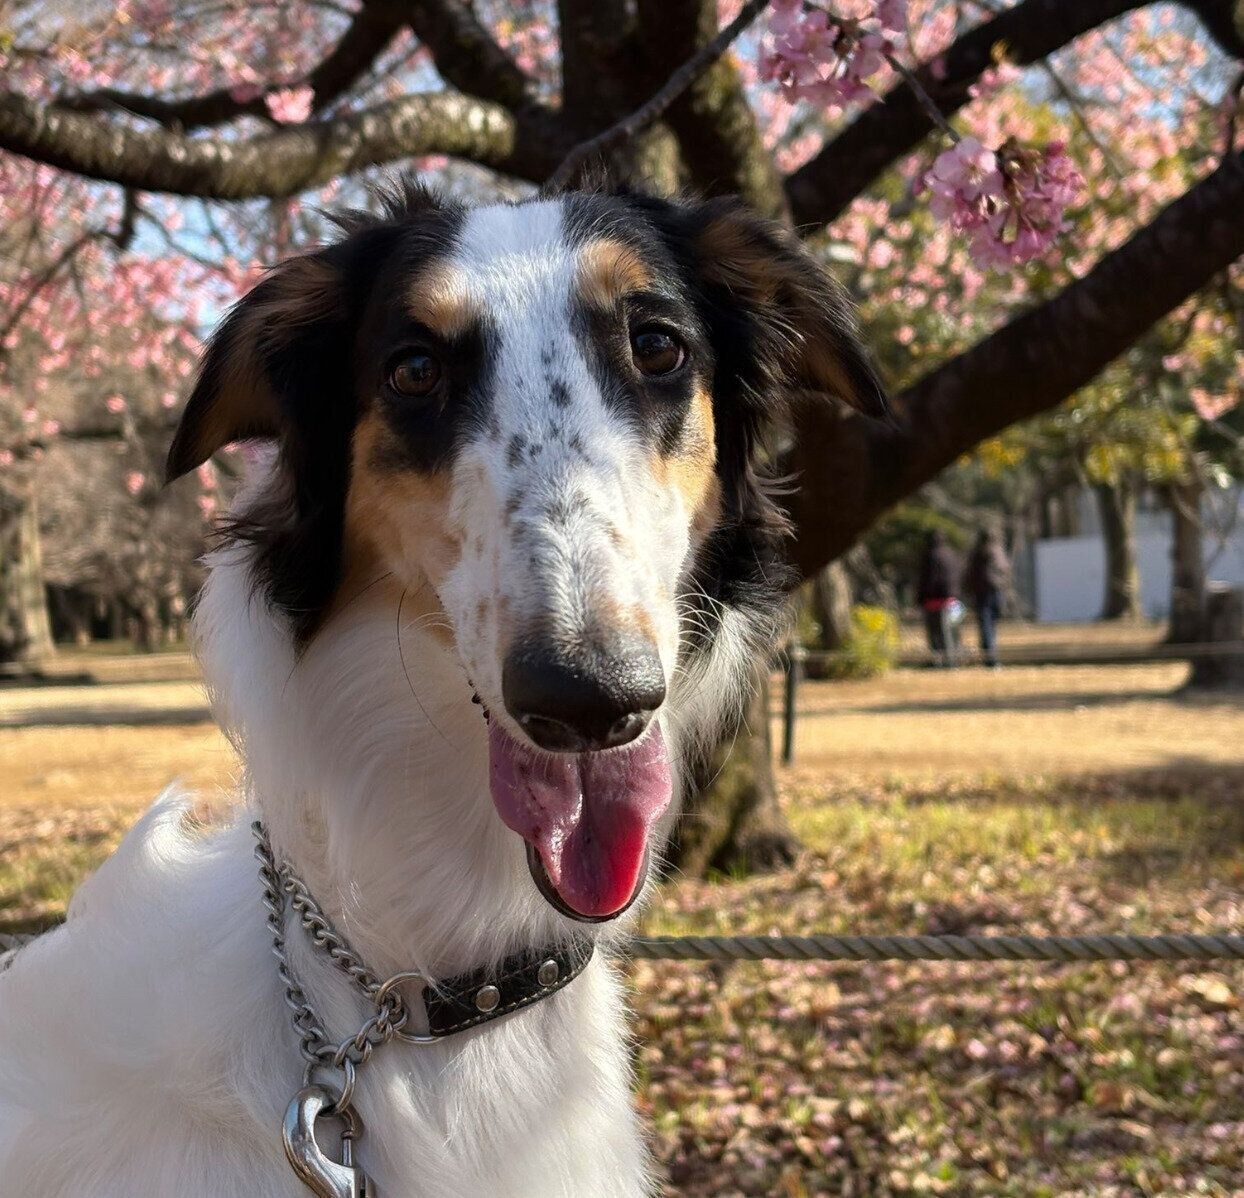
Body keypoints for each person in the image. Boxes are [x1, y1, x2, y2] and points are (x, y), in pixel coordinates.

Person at [917, 529, 963, 667]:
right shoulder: (951, 554)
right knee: (952, 631)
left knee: (938, 633)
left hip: (935, 600)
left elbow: (928, 580)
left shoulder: (931, 556)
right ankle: (953, 658)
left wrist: (921, 597)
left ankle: (941, 661)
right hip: (953, 599)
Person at [967, 529, 1009, 668]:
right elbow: (1004, 570)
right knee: (991, 625)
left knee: (986, 626)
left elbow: (972, 574)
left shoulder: (978, 553)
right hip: (996, 591)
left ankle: (990, 657)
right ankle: (991, 655)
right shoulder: (998, 552)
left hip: (983, 593)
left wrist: (970, 590)